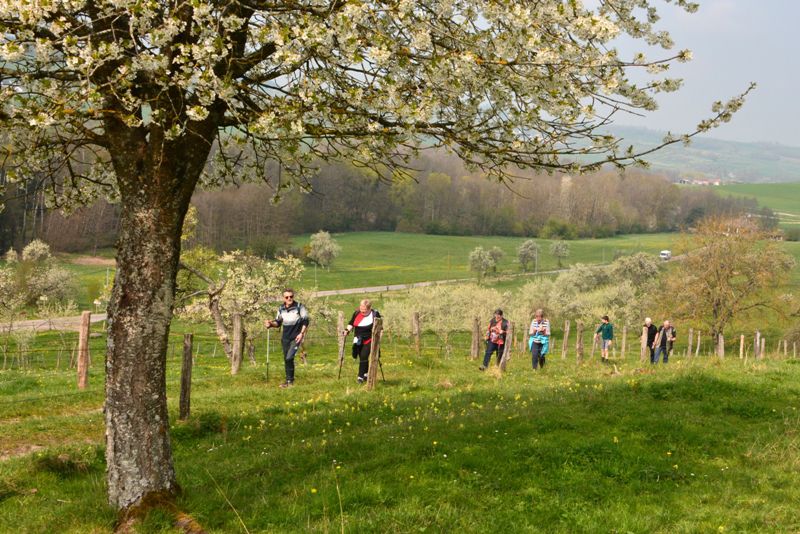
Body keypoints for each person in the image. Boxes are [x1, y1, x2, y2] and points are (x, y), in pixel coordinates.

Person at [265, 288, 309, 388]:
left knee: (289, 358)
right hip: (285, 338)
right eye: (287, 297)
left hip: (296, 337)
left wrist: (301, 333)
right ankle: (288, 381)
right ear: (283, 298)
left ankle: (290, 382)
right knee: (286, 359)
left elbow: (306, 321)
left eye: (291, 296)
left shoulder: (299, 307)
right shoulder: (281, 308)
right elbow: (278, 322)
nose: (289, 298)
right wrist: (270, 324)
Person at [343, 299, 382, 384]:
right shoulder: (356, 313)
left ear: (369, 308)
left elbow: (380, 327)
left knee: (364, 356)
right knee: (361, 357)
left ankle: (360, 377)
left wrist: (379, 337)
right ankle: (366, 374)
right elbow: (351, 323)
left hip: (370, 339)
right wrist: (347, 330)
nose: (362, 312)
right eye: (361, 309)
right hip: (358, 339)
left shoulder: (375, 314)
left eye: (364, 311)